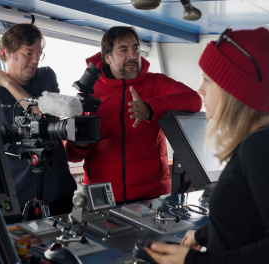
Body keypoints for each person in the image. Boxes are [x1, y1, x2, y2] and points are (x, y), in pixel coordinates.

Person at [144, 27, 269, 264]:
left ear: (233, 90)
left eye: (208, 80)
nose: (200, 89)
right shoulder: (258, 142)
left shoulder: (264, 148)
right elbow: (247, 219)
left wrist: (193, 263)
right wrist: (202, 235)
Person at [64, 26, 202, 203]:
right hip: (103, 197)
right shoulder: (88, 93)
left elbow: (194, 100)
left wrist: (151, 107)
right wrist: (80, 143)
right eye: (123, 50)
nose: (133, 55)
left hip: (151, 195)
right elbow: (73, 156)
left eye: (136, 48)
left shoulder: (156, 83)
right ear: (107, 57)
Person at [0, 23, 76, 217]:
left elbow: (45, 112)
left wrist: (8, 83)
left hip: (59, 191)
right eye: (28, 53)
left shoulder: (45, 76)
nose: (35, 60)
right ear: (6, 53)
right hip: (18, 197)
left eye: (39, 54)